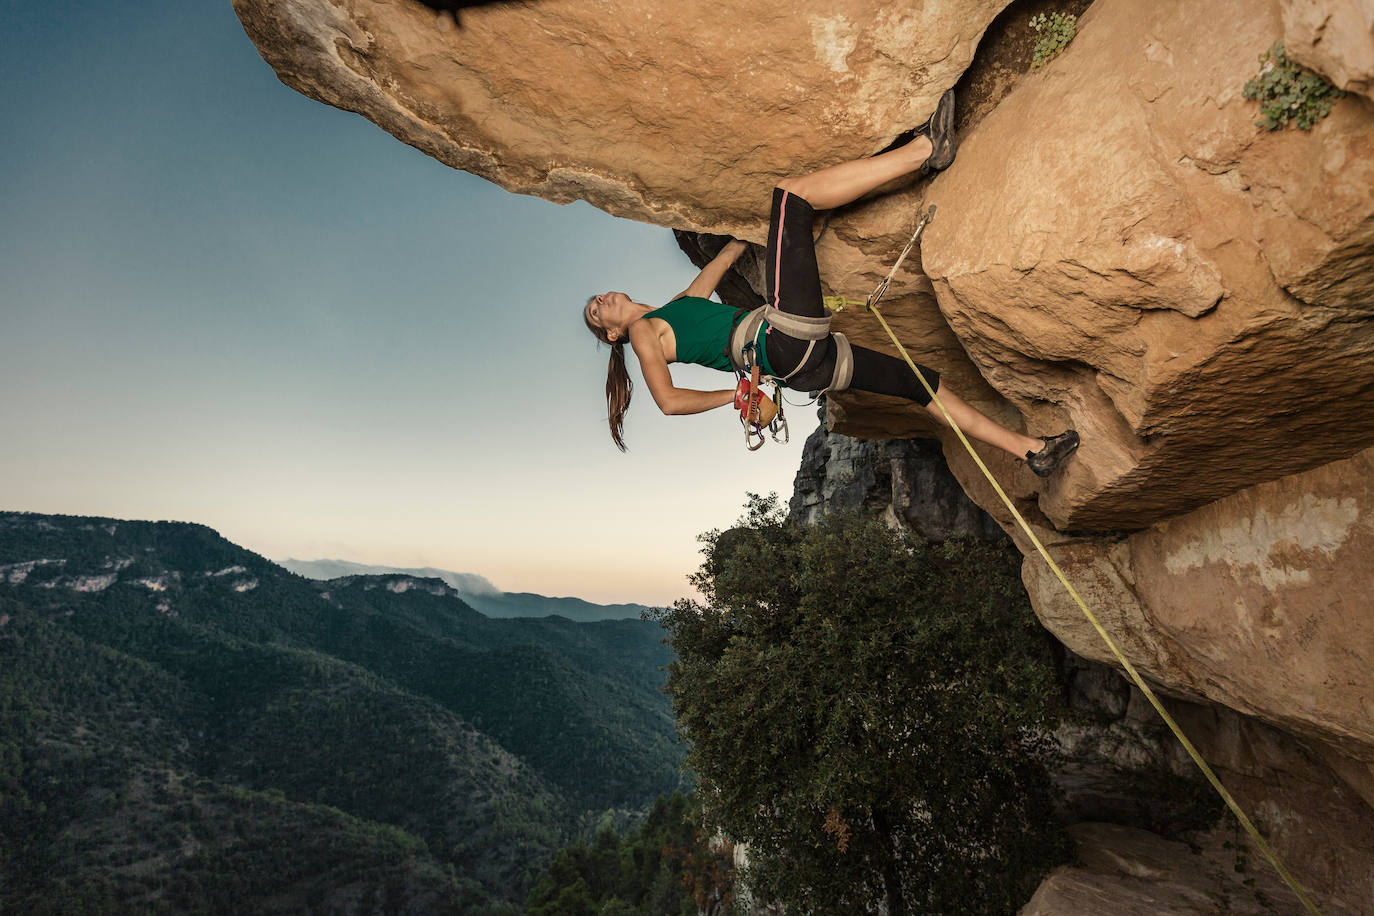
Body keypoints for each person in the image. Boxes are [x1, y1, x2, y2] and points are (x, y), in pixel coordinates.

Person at [582, 90, 1079, 476]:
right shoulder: (645, 333)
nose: (601, 300)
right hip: (778, 345)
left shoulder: (670, 313)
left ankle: (1033, 451)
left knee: (919, 385)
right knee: (791, 198)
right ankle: (926, 149)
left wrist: (739, 241)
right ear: (611, 334)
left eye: (597, 297)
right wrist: (732, 397)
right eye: (596, 311)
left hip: (806, 367)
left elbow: (705, 281)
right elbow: (668, 402)